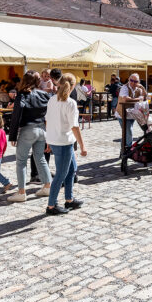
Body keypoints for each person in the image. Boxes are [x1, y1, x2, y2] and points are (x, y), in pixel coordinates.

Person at [44, 72, 87, 215]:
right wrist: (82, 146)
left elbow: (47, 121)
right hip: (63, 142)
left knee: (71, 169)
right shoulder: (70, 103)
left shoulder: (52, 100)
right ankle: (51, 205)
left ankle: (69, 199)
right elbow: (74, 126)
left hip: (57, 140)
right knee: (61, 174)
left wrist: (48, 140)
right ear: (73, 86)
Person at [7, 71, 53, 203]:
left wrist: (13, 136)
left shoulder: (22, 95)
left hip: (28, 130)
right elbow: (49, 116)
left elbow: (16, 116)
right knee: (40, 158)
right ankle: (47, 185)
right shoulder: (45, 95)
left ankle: (21, 192)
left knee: (21, 161)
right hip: (42, 130)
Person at [114, 73, 145, 155]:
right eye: (131, 80)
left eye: (135, 81)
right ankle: (128, 152)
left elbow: (145, 97)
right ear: (129, 80)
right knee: (128, 132)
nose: (133, 83)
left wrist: (142, 87)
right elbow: (125, 99)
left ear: (138, 82)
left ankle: (124, 152)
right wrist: (138, 99)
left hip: (132, 114)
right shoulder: (124, 87)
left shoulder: (139, 88)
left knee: (127, 132)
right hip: (122, 114)